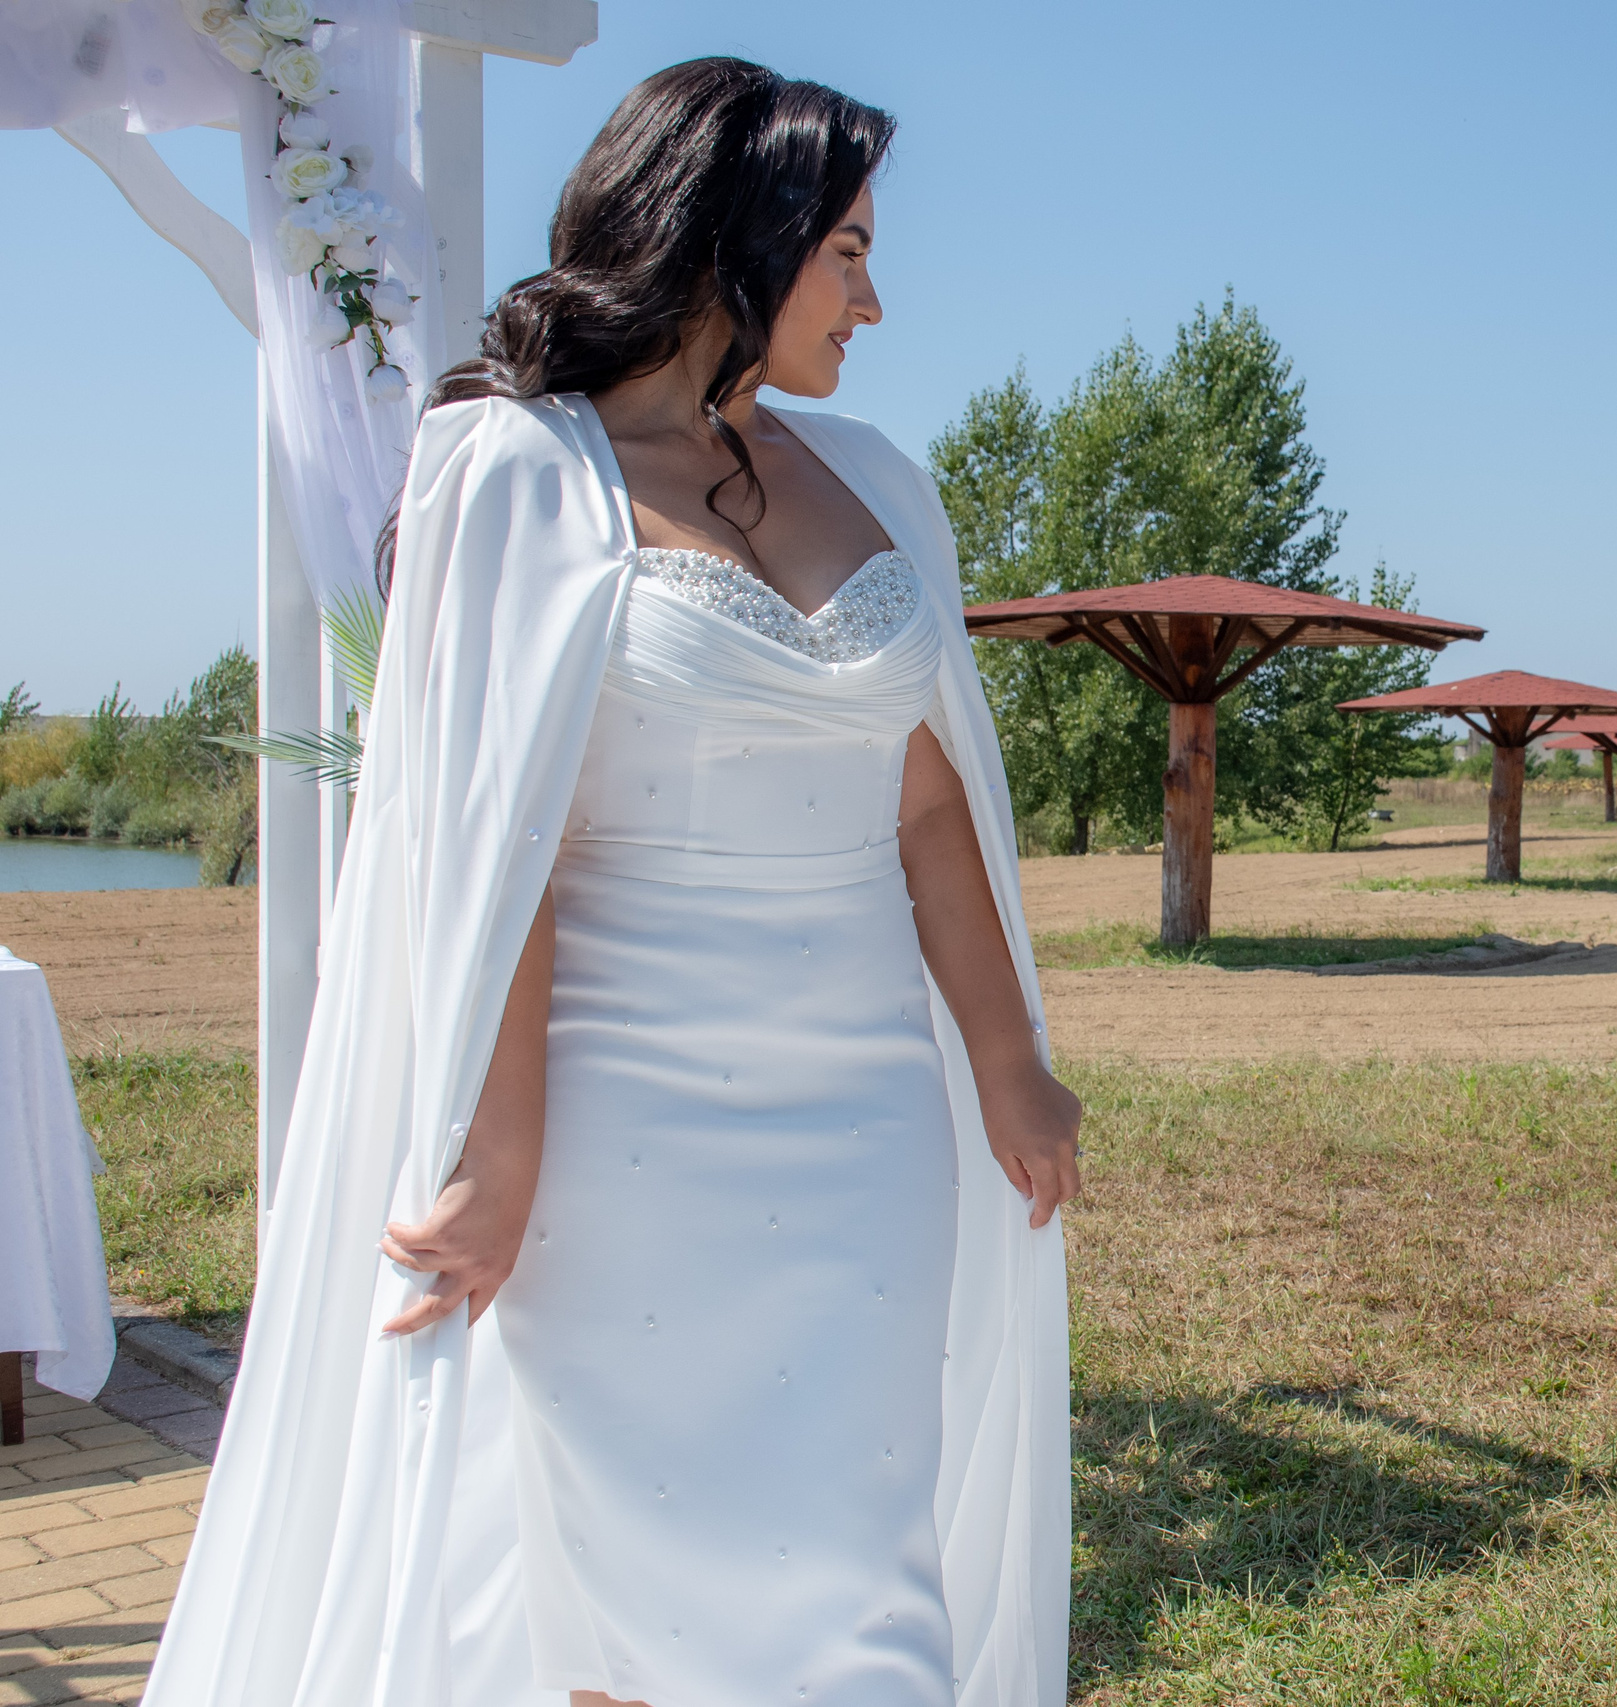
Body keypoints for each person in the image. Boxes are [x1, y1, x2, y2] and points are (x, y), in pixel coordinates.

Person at [145, 59, 1078, 1707]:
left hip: (867, 1134)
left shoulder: (879, 481)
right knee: (627, 1605)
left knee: (862, 1585)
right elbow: (503, 854)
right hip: (624, 1141)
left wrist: (1010, 1060)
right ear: (744, 236)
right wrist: (499, 1160)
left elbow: (928, 803)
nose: (876, 294)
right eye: (846, 250)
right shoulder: (514, 468)